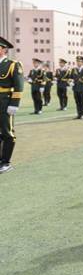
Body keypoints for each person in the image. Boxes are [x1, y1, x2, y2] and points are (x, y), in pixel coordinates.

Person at [0, 36, 24, 174]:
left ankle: (6, 162)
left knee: (7, 132)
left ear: (3, 49)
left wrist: (14, 104)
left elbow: (19, 86)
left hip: (5, 101)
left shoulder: (13, 64)